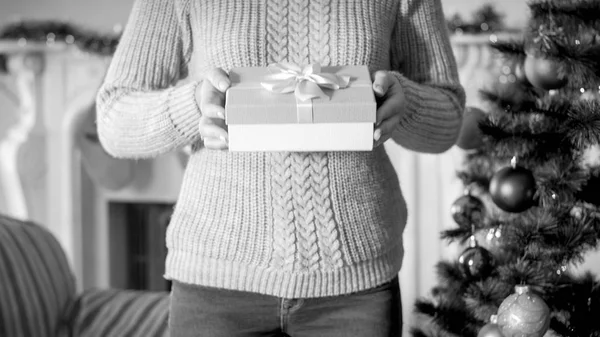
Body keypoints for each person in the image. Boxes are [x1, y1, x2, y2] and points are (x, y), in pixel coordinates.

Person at [96, 0, 465, 336]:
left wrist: (405, 102)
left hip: (355, 286)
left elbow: (448, 116)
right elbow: (115, 118)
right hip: (214, 283)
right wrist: (194, 105)